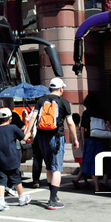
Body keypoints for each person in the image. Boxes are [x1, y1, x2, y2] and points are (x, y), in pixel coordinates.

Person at [23, 77, 79, 210]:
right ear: (61, 89)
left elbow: (33, 118)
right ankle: (53, 200)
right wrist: (75, 139)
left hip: (41, 138)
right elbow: (70, 123)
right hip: (56, 137)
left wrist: (28, 133)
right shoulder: (64, 102)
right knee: (57, 168)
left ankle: (53, 195)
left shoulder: (41, 100)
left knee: (49, 167)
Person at [0, 108, 31, 211]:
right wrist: (30, 132)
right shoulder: (13, 128)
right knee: (16, 179)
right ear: (10, 118)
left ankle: (1, 202)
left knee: (1, 181)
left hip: (0, 160)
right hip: (13, 159)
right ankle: (21, 198)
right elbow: (25, 138)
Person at [80, 94, 111, 192]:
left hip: (91, 140)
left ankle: (96, 186)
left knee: (92, 162)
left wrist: (83, 140)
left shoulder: (86, 113)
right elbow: (109, 125)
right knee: (106, 160)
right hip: (103, 139)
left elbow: (82, 129)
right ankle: (105, 180)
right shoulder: (103, 111)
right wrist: (110, 137)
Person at [71, 112, 88, 189]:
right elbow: (82, 138)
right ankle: (76, 179)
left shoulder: (71, 129)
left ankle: (86, 181)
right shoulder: (79, 128)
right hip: (81, 149)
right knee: (83, 167)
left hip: (75, 150)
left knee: (81, 165)